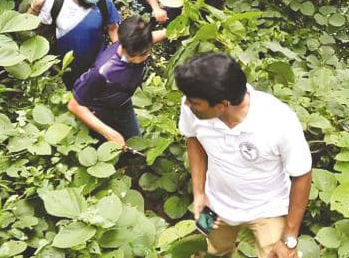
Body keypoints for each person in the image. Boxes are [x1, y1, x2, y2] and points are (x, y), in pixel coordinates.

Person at [175, 53, 312, 258]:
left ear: (222, 105)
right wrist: (199, 194)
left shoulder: (279, 120)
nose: (186, 105)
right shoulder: (193, 105)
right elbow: (193, 140)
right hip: (214, 202)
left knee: (279, 255)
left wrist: (289, 238)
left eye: (194, 102)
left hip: (268, 207)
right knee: (212, 250)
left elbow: (302, 174)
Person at [67, 16, 166, 146]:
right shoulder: (102, 72)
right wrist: (108, 132)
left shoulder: (139, 43)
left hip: (123, 103)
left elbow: (153, 37)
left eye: (147, 52)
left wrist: (176, 30)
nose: (145, 57)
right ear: (126, 48)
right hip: (100, 112)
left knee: (135, 143)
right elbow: (74, 105)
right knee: (109, 146)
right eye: (142, 55)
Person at [27, 0, 121, 89]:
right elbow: (27, 28)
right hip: (66, 68)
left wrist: (118, 57)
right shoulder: (56, 0)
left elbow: (113, 28)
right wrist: (35, 7)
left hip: (96, 67)